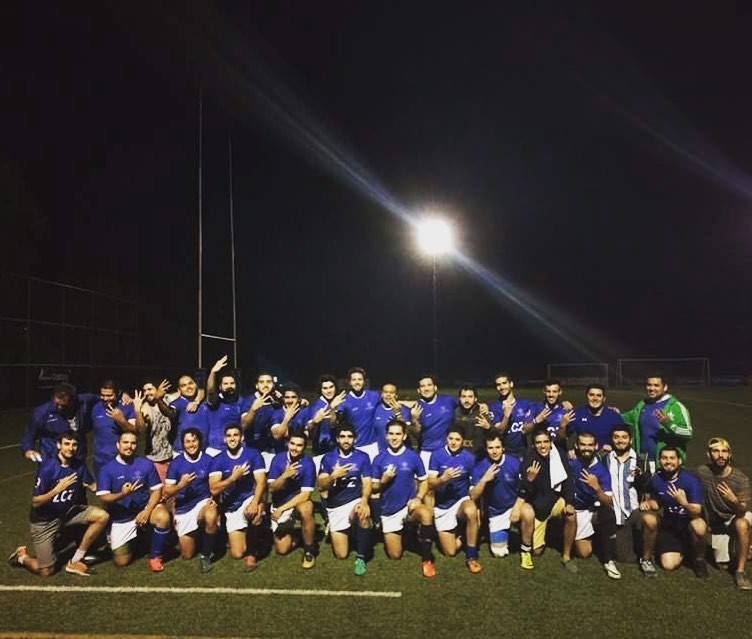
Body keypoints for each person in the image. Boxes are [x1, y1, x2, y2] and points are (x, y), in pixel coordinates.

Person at [8, 430, 109, 577]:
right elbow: (36, 502)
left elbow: (94, 486)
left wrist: (117, 490)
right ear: (59, 445)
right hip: (44, 521)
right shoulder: (47, 467)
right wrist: (57, 489)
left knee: (102, 516)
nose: (71, 448)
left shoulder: (79, 466)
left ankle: (76, 560)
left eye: (74, 445)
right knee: (46, 571)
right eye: (67, 444)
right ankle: (21, 557)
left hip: (68, 513)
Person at [96, 431, 171, 572]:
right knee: (121, 562)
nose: (129, 446)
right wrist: (122, 494)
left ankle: (155, 557)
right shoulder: (107, 469)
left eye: (133, 443)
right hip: (121, 516)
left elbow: (156, 490)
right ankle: (136, 537)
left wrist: (147, 511)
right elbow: (103, 497)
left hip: (143, 510)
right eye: (125, 442)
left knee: (163, 516)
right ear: (118, 445)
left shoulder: (146, 464)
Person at [371, 419, 437, 578]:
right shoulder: (379, 458)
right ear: (386, 436)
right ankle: (407, 531)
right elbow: (373, 488)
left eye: (398, 434)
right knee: (395, 555)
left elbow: (423, 481)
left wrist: (418, 497)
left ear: (404, 436)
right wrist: (384, 481)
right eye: (391, 434)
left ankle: (427, 560)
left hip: (409, 506)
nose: (394, 438)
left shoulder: (413, 457)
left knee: (426, 514)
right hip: (389, 511)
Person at [639, 446, 707, 578]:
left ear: (679, 461)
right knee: (669, 565)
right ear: (659, 461)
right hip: (671, 525)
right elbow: (657, 503)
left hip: (689, 522)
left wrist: (684, 503)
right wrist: (648, 504)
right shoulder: (656, 479)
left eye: (672, 458)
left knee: (699, 526)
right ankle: (685, 550)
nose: (668, 461)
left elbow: (697, 512)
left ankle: (699, 560)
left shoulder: (690, 480)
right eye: (664, 458)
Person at [209, 424, 267, 572]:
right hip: (231, 506)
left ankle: (252, 555)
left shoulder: (253, 454)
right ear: (224, 439)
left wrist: (255, 502)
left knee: (255, 512)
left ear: (242, 438)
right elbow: (214, 489)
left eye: (236, 435)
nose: (232, 439)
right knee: (237, 554)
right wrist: (233, 478)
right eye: (229, 436)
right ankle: (256, 534)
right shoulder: (218, 460)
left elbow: (261, 482)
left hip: (249, 497)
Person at [517, 428, 577, 571]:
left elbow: (568, 481)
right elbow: (524, 492)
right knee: (537, 552)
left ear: (551, 443)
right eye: (539, 443)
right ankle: (533, 532)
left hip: (555, 502)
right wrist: (529, 480)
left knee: (571, 515)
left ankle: (566, 556)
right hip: (538, 510)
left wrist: (569, 502)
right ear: (533, 445)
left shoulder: (559, 456)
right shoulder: (529, 460)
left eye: (546, 442)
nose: (543, 446)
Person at [696, 437, 752, 589]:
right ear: (709, 455)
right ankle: (744, 548)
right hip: (718, 524)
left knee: (742, 524)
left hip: (737, 515)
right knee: (723, 566)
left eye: (724, 451)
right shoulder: (702, 472)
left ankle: (740, 573)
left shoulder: (740, 479)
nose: (720, 455)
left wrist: (734, 500)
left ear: (729, 454)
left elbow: (742, 511)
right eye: (716, 451)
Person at [318, 424, 372, 576]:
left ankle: (361, 558)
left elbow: (367, 482)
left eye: (349, 437)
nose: (346, 440)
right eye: (342, 437)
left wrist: (364, 501)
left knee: (362, 514)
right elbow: (321, 486)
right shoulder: (328, 458)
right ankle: (344, 529)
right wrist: (334, 475)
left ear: (355, 439)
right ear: (337, 439)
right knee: (341, 555)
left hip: (355, 501)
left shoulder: (362, 457)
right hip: (336, 506)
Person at [428, 425, 483, 574]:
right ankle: (466, 531)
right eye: (451, 438)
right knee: (450, 552)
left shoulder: (469, 458)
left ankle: (471, 556)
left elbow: (473, 488)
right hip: (443, 506)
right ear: (446, 439)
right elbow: (430, 484)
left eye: (457, 439)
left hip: (461, 502)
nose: (453, 442)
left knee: (471, 510)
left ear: (463, 441)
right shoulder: (437, 455)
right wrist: (443, 479)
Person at [164, 428, 219, 573]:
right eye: (187, 442)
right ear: (183, 444)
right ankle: (198, 535)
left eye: (194, 441)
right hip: (184, 508)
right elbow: (167, 492)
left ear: (199, 442)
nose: (191, 444)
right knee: (187, 555)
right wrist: (181, 485)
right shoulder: (176, 463)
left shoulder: (208, 460)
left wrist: (214, 499)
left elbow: (214, 485)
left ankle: (205, 554)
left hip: (202, 502)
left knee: (211, 514)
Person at [569, 431, 621, 579]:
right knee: (584, 553)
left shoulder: (602, 471)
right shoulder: (571, 463)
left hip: (592, 509)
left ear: (596, 446)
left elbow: (608, 501)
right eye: (583, 445)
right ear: (577, 446)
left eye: (590, 445)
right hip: (576, 509)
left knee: (608, 514)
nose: (587, 448)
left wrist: (597, 488)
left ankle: (609, 560)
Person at [267, 433, 318, 568]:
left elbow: (305, 495)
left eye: (299, 445)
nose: (295, 448)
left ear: (304, 447)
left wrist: (281, 509)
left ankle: (309, 550)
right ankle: (300, 535)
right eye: (293, 444)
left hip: (297, 503)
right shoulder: (278, 459)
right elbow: (271, 489)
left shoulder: (308, 464)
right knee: (282, 550)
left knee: (306, 507)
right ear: (288, 444)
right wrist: (284, 476)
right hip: (280, 503)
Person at [620, 374, 692, 465]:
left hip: (666, 465)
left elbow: (688, 433)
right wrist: (612, 413)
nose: (651, 388)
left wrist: (669, 424)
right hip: (642, 463)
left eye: (656, 385)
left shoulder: (676, 407)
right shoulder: (643, 404)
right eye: (649, 385)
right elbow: (626, 418)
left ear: (665, 387)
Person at [602, 424, 649, 563]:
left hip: (635, 510)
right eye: (616, 437)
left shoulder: (641, 460)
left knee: (650, 521)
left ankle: (648, 549)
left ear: (630, 440)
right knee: (625, 558)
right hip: (615, 512)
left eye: (624, 437)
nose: (620, 440)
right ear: (612, 439)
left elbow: (649, 486)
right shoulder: (605, 458)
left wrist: (641, 476)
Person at [470, 432, 521, 558]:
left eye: (497, 447)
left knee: (528, 513)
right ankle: (503, 532)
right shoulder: (480, 467)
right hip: (496, 512)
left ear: (503, 448)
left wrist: (517, 507)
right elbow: (473, 496)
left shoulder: (514, 463)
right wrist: (484, 480)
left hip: (515, 506)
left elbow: (524, 488)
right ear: (486, 449)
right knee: (499, 553)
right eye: (490, 448)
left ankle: (526, 547)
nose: (494, 451)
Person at [20, 382, 98, 463]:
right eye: (57, 404)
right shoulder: (42, 413)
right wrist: (27, 450)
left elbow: (100, 399)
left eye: (64, 405)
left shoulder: (84, 401)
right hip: (52, 459)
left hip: (78, 457)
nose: (59, 407)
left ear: (73, 400)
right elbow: (29, 434)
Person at [91, 379, 137, 477]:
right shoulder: (96, 407)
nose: (105, 398)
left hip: (121, 459)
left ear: (117, 393)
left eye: (109, 395)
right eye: (102, 395)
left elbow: (134, 431)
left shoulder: (127, 407)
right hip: (100, 460)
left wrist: (121, 420)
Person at [411, 375, 457, 471]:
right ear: (418, 390)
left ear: (435, 387)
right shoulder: (416, 408)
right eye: (423, 386)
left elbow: (467, 403)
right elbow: (416, 435)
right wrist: (414, 420)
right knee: (426, 480)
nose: (426, 388)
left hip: (448, 451)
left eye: (429, 385)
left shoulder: (448, 400)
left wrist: (483, 406)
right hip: (427, 452)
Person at [560, 384, 624, 452]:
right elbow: (562, 439)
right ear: (586, 396)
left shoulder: (614, 416)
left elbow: (624, 439)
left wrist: (613, 447)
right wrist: (562, 427)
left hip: (607, 455)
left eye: (599, 395)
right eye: (591, 395)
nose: (595, 398)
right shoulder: (577, 414)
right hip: (583, 455)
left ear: (604, 399)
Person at [134, 379, 175, 483]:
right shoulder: (145, 408)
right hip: (153, 459)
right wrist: (138, 412)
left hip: (172, 456)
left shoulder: (169, 399)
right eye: (144, 390)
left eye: (150, 389)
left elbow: (198, 391)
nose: (147, 393)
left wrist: (197, 400)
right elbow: (141, 430)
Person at [335, 367, 381, 461]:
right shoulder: (343, 400)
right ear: (349, 382)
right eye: (354, 379)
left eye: (359, 379)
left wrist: (411, 404)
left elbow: (391, 400)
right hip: (353, 446)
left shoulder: (374, 396)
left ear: (364, 381)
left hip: (372, 446)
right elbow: (334, 421)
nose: (357, 382)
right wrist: (333, 408)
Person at [206, 356, 248, 455]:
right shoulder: (215, 400)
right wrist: (213, 372)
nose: (229, 386)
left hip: (237, 448)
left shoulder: (242, 401)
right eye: (225, 383)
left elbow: (244, 424)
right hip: (215, 450)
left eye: (232, 383)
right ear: (220, 387)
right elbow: (210, 390)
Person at [307, 374, 346, 473]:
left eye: (331, 387)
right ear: (320, 390)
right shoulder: (316, 406)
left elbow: (334, 424)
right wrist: (314, 422)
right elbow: (308, 429)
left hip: (338, 450)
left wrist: (333, 407)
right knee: (322, 479)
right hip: (320, 450)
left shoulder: (340, 403)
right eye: (325, 388)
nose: (328, 391)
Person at [489, 371, 532, 459]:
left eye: (504, 383)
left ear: (511, 384)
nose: (501, 387)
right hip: (504, 453)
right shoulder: (494, 407)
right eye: (498, 385)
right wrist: (506, 416)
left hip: (522, 451)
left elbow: (528, 429)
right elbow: (500, 431)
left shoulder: (524, 404)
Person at [523, 379, 573, 447]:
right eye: (548, 391)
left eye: (554, 391)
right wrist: (536, 421)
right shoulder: (536, 408)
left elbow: (567, 438)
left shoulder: (565, 410)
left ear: (560, 392)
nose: (551, 395)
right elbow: (524, 431)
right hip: (540, 449)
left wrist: (562, 427)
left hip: (559, 450)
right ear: (544, 391)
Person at [241, 370, 280, 456]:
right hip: (250, 447)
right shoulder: (248, 400)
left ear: (273, 385)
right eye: (261, 382)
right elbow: (243, 425)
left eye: (268, 382)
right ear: (257, 385)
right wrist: (253, 409)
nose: (265, 385)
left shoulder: (276, 402)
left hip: (269, 449)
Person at [269, 383, 310, 465]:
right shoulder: (276, 413)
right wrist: (287, 418)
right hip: (279, 454)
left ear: (299, 399)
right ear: (283, 398)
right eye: (287, 397)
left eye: (293, 397)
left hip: (299, 456)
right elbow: (277, 436)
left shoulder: (304, 411)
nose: (290, 400)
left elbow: (306, 435)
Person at [169, 374, 210, 455]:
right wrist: (159, 401)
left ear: (196, 385)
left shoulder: (203, 401)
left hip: (203, 452)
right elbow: (170, 412)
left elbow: (206, 390)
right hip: (182, 452)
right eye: (184, 385)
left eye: (190, 383)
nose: (188, 387)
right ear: (179, 390)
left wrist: (196, 401)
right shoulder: (177, 404)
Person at [453, 384, 493, 458]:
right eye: (464, 396)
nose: (467, 400)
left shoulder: (482, 412)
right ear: (459, 398)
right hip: (460, 455)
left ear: (475, 399)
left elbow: (494, 435)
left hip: (479, 455)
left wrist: (488, 428)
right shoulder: (455, 413)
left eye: (470, 397)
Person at [372, 383, 412, 453]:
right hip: (382, 452)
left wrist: (398, 414)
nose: (388, 395)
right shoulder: (375, 409)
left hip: (402, 453)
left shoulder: (404, 410)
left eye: (391, 392)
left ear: (396, 395)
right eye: (386, 392)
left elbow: (407, 432)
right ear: (381, 394)